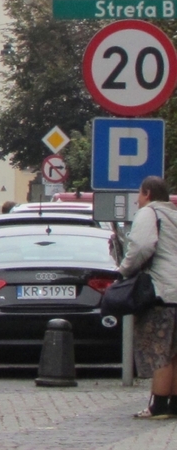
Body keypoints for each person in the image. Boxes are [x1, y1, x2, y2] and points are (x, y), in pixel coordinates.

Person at [117, 176, 177, 419]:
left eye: (139, 195)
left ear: (148, 193)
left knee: (159, 350)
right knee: (175, 352)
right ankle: (174, 405)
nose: (138, 201)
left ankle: (158, 406)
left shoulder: (149, 213)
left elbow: (141, 246)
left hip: (162, 290)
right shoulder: (174, 215)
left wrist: (124, 270)